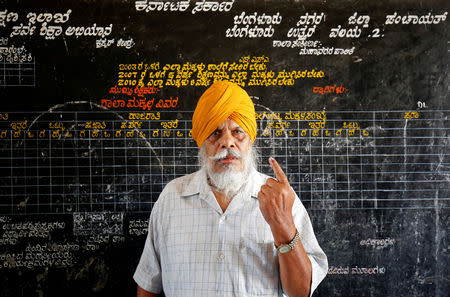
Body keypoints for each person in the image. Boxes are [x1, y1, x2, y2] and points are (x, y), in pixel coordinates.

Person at [134, 81, 328, 297]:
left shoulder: (280, 198)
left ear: (250, 141)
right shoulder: (172, 197)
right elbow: (148, 285)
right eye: (215, 133)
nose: (227, 142)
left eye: (238, 132)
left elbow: (302, 291)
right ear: (202, 141)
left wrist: (282, 224)